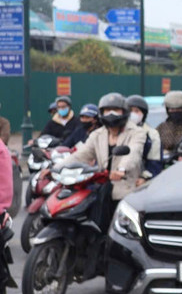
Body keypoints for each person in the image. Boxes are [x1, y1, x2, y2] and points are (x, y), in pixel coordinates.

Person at [54, 93, 146, 222]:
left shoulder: (137, 132)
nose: (111, 114)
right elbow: (82, 154)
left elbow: (133, 152)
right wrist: (56, 168)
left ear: (124, 112)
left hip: (125, 187)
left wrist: (121, 169)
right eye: (107, 110)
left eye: (116, 110)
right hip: (102, 186)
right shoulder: (98, 134)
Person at [126, 95, 162, 185]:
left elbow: (155, 161)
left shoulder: (151, 134)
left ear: (143, 114)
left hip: (140, 182)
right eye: (130, 111)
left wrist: (144, 178)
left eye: (136, 111)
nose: (132, 114)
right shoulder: (117, 130)